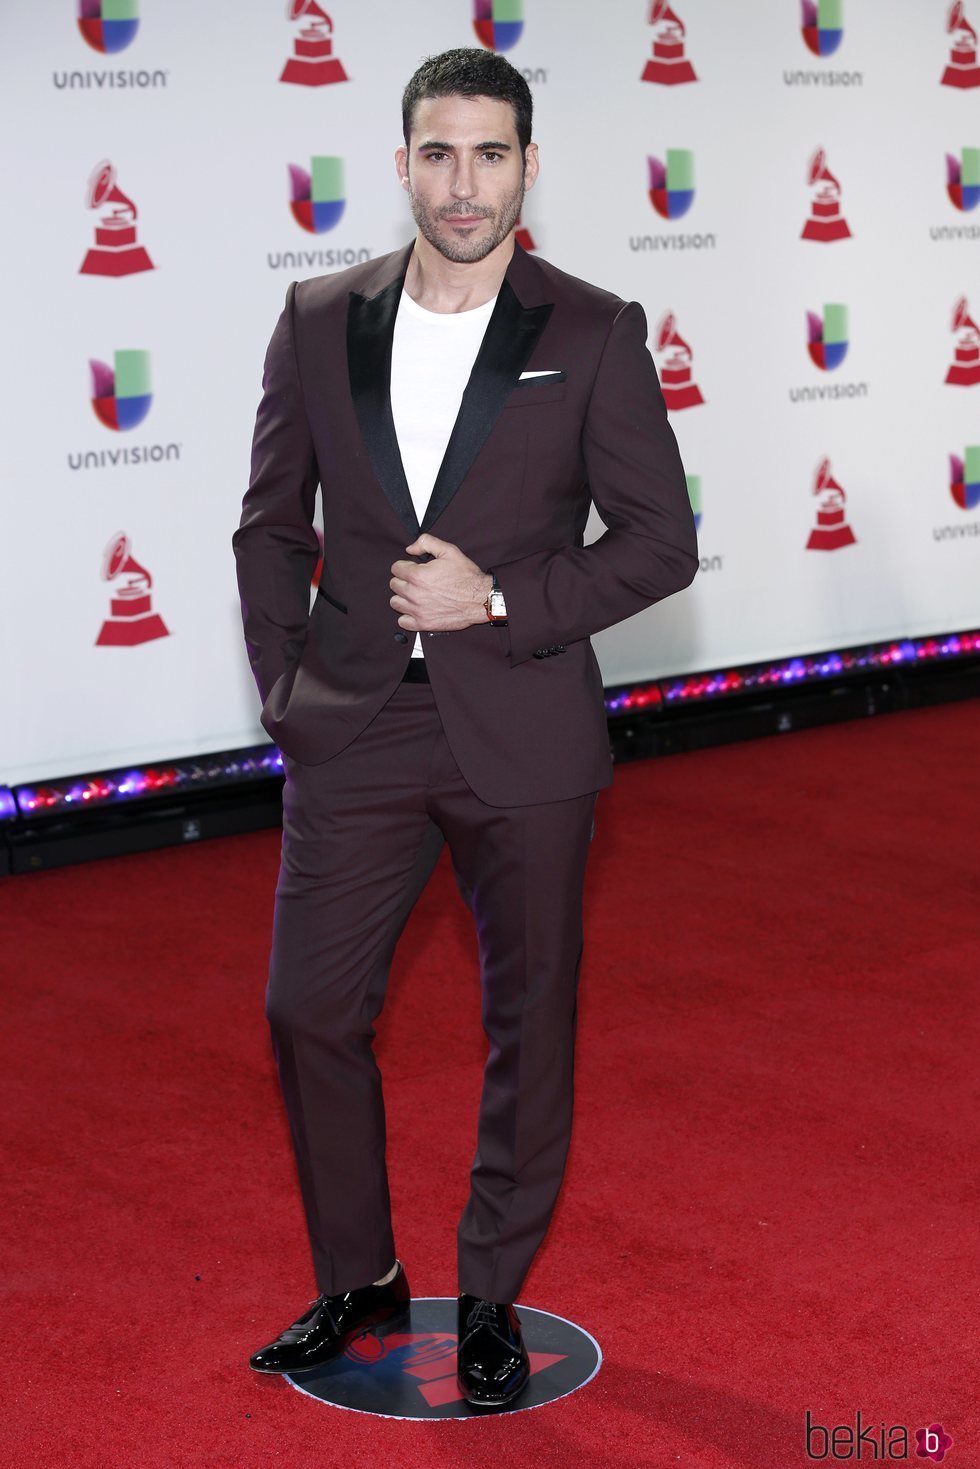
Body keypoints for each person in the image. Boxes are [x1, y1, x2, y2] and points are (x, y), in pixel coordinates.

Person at [232, 47, 698, 1409]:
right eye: (438, 153)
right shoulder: (320, 316)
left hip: (526, 729)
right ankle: (361, 1275)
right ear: (402, 162)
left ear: (529, 165)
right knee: (307, 1006)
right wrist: (285, 687)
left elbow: (660, 541)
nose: (463, 183)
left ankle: (490, 1292)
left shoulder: (594, 328)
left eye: (490, 154)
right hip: (358, 725)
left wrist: (497, 595)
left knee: (527, 1016)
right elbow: (270, 521)